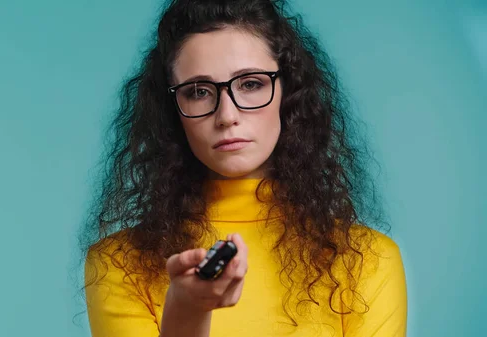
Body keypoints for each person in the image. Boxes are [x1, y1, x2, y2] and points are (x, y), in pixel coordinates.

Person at [81, 0, 407, 336]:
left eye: (250, 84)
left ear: (289, 91)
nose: (227, 116)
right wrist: (186, 311)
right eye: (198, 91)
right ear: (171, 111)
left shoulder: (367, 260)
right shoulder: (118, 264)